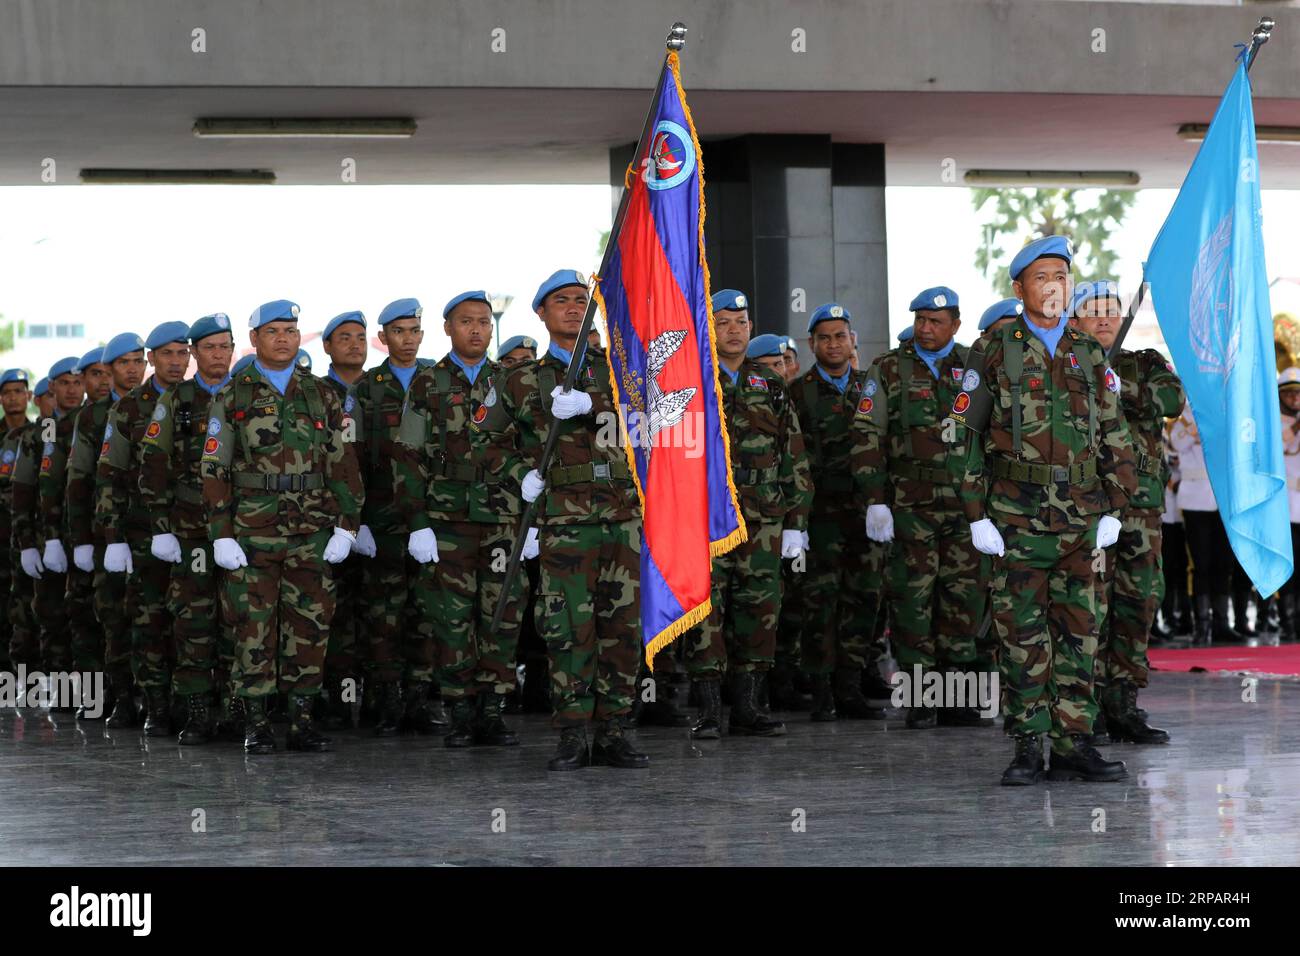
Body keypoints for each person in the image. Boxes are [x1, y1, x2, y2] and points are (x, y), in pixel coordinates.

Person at [952, 235, 1137, 785]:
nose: (1054, 286)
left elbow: (1116, 433)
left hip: (1082, 518)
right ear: (1019, 288)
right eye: (1042, 277)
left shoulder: (1087, 350)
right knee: (1022, 635)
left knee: (1082, 631)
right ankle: (1028, 746)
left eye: (1061, 276)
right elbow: (964, 436)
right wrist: (975, 514)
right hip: (1015, 517)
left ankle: (1075, 743)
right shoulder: (994, 349)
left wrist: (1116, 505)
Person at [482, 269, 648, 770]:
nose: (575, 308)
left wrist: (596, 402)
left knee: (621, 626)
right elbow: (483, 442)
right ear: (541, 312)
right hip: (562, 521)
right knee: (567, 627)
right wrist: (520, 476)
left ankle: (615, 728)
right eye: (562, 301)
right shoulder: (517, 378)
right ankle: (574, 731)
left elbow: (653, 419)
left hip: (620, 516)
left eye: (582, 300)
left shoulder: (618, 370)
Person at [201, 299, 364, 753]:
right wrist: (222, 534)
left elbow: (344, 463)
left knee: (310, 625)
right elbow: (214, 468)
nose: (283, 339)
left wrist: (347, 526)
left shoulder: (323, 394)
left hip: (311, 529)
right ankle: (255, 721)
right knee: (252, 626)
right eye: (273, 331)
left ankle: (302, 720)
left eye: (290, 331)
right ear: (254, 339)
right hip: (252, 530)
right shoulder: (231, 396)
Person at [393, 290, 529, 747]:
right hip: (447, 517)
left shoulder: (512, 380)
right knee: (451, 616)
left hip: (503, 517)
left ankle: (493, 708)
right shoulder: (427, 383)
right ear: (448, 328)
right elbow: (407, 455)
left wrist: (535, 521)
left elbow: (533, 452)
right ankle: (459, 707)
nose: (477, 330)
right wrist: (417, 521)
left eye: (485, 322)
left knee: (502, 613)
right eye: (467, 322)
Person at [856, 286, 988, 729]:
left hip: (967, 507)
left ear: (955, 324)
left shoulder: (976, 366)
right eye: (920, 320)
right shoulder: (889, 368)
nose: (925, 329)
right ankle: (921, 699)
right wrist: (875, 500)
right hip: (910, 505)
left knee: (962, 602)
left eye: (935, 321)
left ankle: (957, 700)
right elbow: (867, 434)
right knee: (912, 602)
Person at [684, 290, 811, 738]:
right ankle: (707, 711)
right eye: (723, 322)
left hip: (764, 518)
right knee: (705, 613)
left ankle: (748, 708)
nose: (734, 330)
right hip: (706, 519)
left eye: (741, 321)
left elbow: (791, 452)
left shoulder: (769, 382)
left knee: (759, 611)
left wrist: (796, 522)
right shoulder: (691, 378)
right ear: (708, 328)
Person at [1069, 281, 1182, 745]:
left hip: (1140, 510)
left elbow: (1171, 400)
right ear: (1072, 320)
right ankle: (1087, 707)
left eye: (1111, 311)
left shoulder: (1145, 363)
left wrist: (1119, 384)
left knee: (1138, 603)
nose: (1103, 319)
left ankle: (1123, 702)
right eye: (1092, 311)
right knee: (1089, 606)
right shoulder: (1063, 366)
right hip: (1085, 509)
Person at [138, 313, 236, 743]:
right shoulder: (175, 401)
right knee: (194, 624)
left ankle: (236, 710)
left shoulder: (246, 394)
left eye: (225, 346)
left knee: (241, 623)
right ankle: (196, 712)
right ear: (197, 352)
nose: (218, 355)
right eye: (210, 347)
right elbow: (152, 466)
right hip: (191, 529)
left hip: (242, 529)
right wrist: (161, 527)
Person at [352, 297, 446, 735]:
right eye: (398, 332)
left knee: (427, 608)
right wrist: (358, 519)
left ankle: (420, 698)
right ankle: (386, 698)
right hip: (383, 512)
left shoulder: (438, 380)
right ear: (383, 337)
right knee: (384, 610)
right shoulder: (367, 389)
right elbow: (349, 457)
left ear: (423, 335)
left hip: (434, 510)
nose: (407, 339)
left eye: (413, 331)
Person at [96, 321, 192, 735]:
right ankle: (156, 704)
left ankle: (197, 706)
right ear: (154, 357)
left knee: (195, 624)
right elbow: (108, 477)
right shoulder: (129, 409)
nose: (177, 361)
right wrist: (112, 538)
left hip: (194, 533)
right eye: (167, 353)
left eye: (182, 352)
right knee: (148, 622)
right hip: (143, 535)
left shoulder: (203, 399)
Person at [790, 302, 885, 720]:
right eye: (824, 337)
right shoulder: (796, 392)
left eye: (840, 336)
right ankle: (822, 689)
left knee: (863, 599)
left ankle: (850, 687)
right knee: (820, 602)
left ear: (853, 342)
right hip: (821, 515)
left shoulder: (872, 387)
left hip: (867, 514)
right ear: (811, 344)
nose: (833, 344)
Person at [69, 333, 146, 726]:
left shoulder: (158, 406)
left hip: (151, 529)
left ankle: (154, 696)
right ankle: (120, 696)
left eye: (138, 360)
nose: (133, 369)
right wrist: (80, 540)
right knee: (113, 616)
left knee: (151, 617)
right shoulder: (92, 417)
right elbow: (79, 483)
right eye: (124, 363)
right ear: (110, 369)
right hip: (108, 534)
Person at [47, 348, 111, 716]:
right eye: (93, 375)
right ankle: (88, 695)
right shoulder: (62, 426)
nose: (100, 381)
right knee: (81, 614)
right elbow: (53, 485)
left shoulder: (112, 414)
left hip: (112, 532)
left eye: (106, 373)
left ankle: (117, 694)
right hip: (80, 530)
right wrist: (54, 538)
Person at [14, 358, 83, 692]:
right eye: (64, 383)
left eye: (77, 382)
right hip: (48, 539)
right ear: (51, 388)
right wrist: (27, 544)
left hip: (85, 536)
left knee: (86, 617)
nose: (72, 390)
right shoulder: (37, 434)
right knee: (51, 616)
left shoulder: (92, 423)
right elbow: (23, 492)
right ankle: (61, 690)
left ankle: (94, 691)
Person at [317, 310, 368, 728]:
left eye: (361, 336)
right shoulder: (315, 392)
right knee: (335, 615)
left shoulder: (383, 386)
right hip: (328, 520)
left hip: (385, 519)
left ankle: (385, 702)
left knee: (384, 614)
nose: (354, 344)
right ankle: (337, 699)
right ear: (327, 346)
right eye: (345, 337)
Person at [1168, 406, 1236, 642]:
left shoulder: (1226, 414)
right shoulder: (1184, 416)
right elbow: (1177, 443)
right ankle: (1202, 624)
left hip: (1224, 500)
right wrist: (1200, 427)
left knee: (1223, 563)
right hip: (1195, 500)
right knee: (1199, 564)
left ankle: (1221, 623)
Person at [1, 370, 37, 684]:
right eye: (7, 392)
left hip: (27, 534)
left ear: (28, 395)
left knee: (26, 602)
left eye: (19, 391)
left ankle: (25, 670)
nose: (13, 397)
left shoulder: (41, 431)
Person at [1275, 367, 1300, 641]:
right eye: (1290, 393)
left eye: (1298, 393)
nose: (1295, 398)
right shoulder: (1277, 422)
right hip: (1286, 506)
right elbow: (1280, 446)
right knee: (1290, 566)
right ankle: (1287, 620)